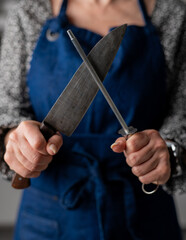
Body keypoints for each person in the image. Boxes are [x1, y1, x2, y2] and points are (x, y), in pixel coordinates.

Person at [0, 0, 185, 239]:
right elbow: (6, 108)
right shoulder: (28, 11)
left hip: (143, 216)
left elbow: (182, 117)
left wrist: (168, 152)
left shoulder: (173, 14)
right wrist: (13, 139)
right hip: (47, 220)